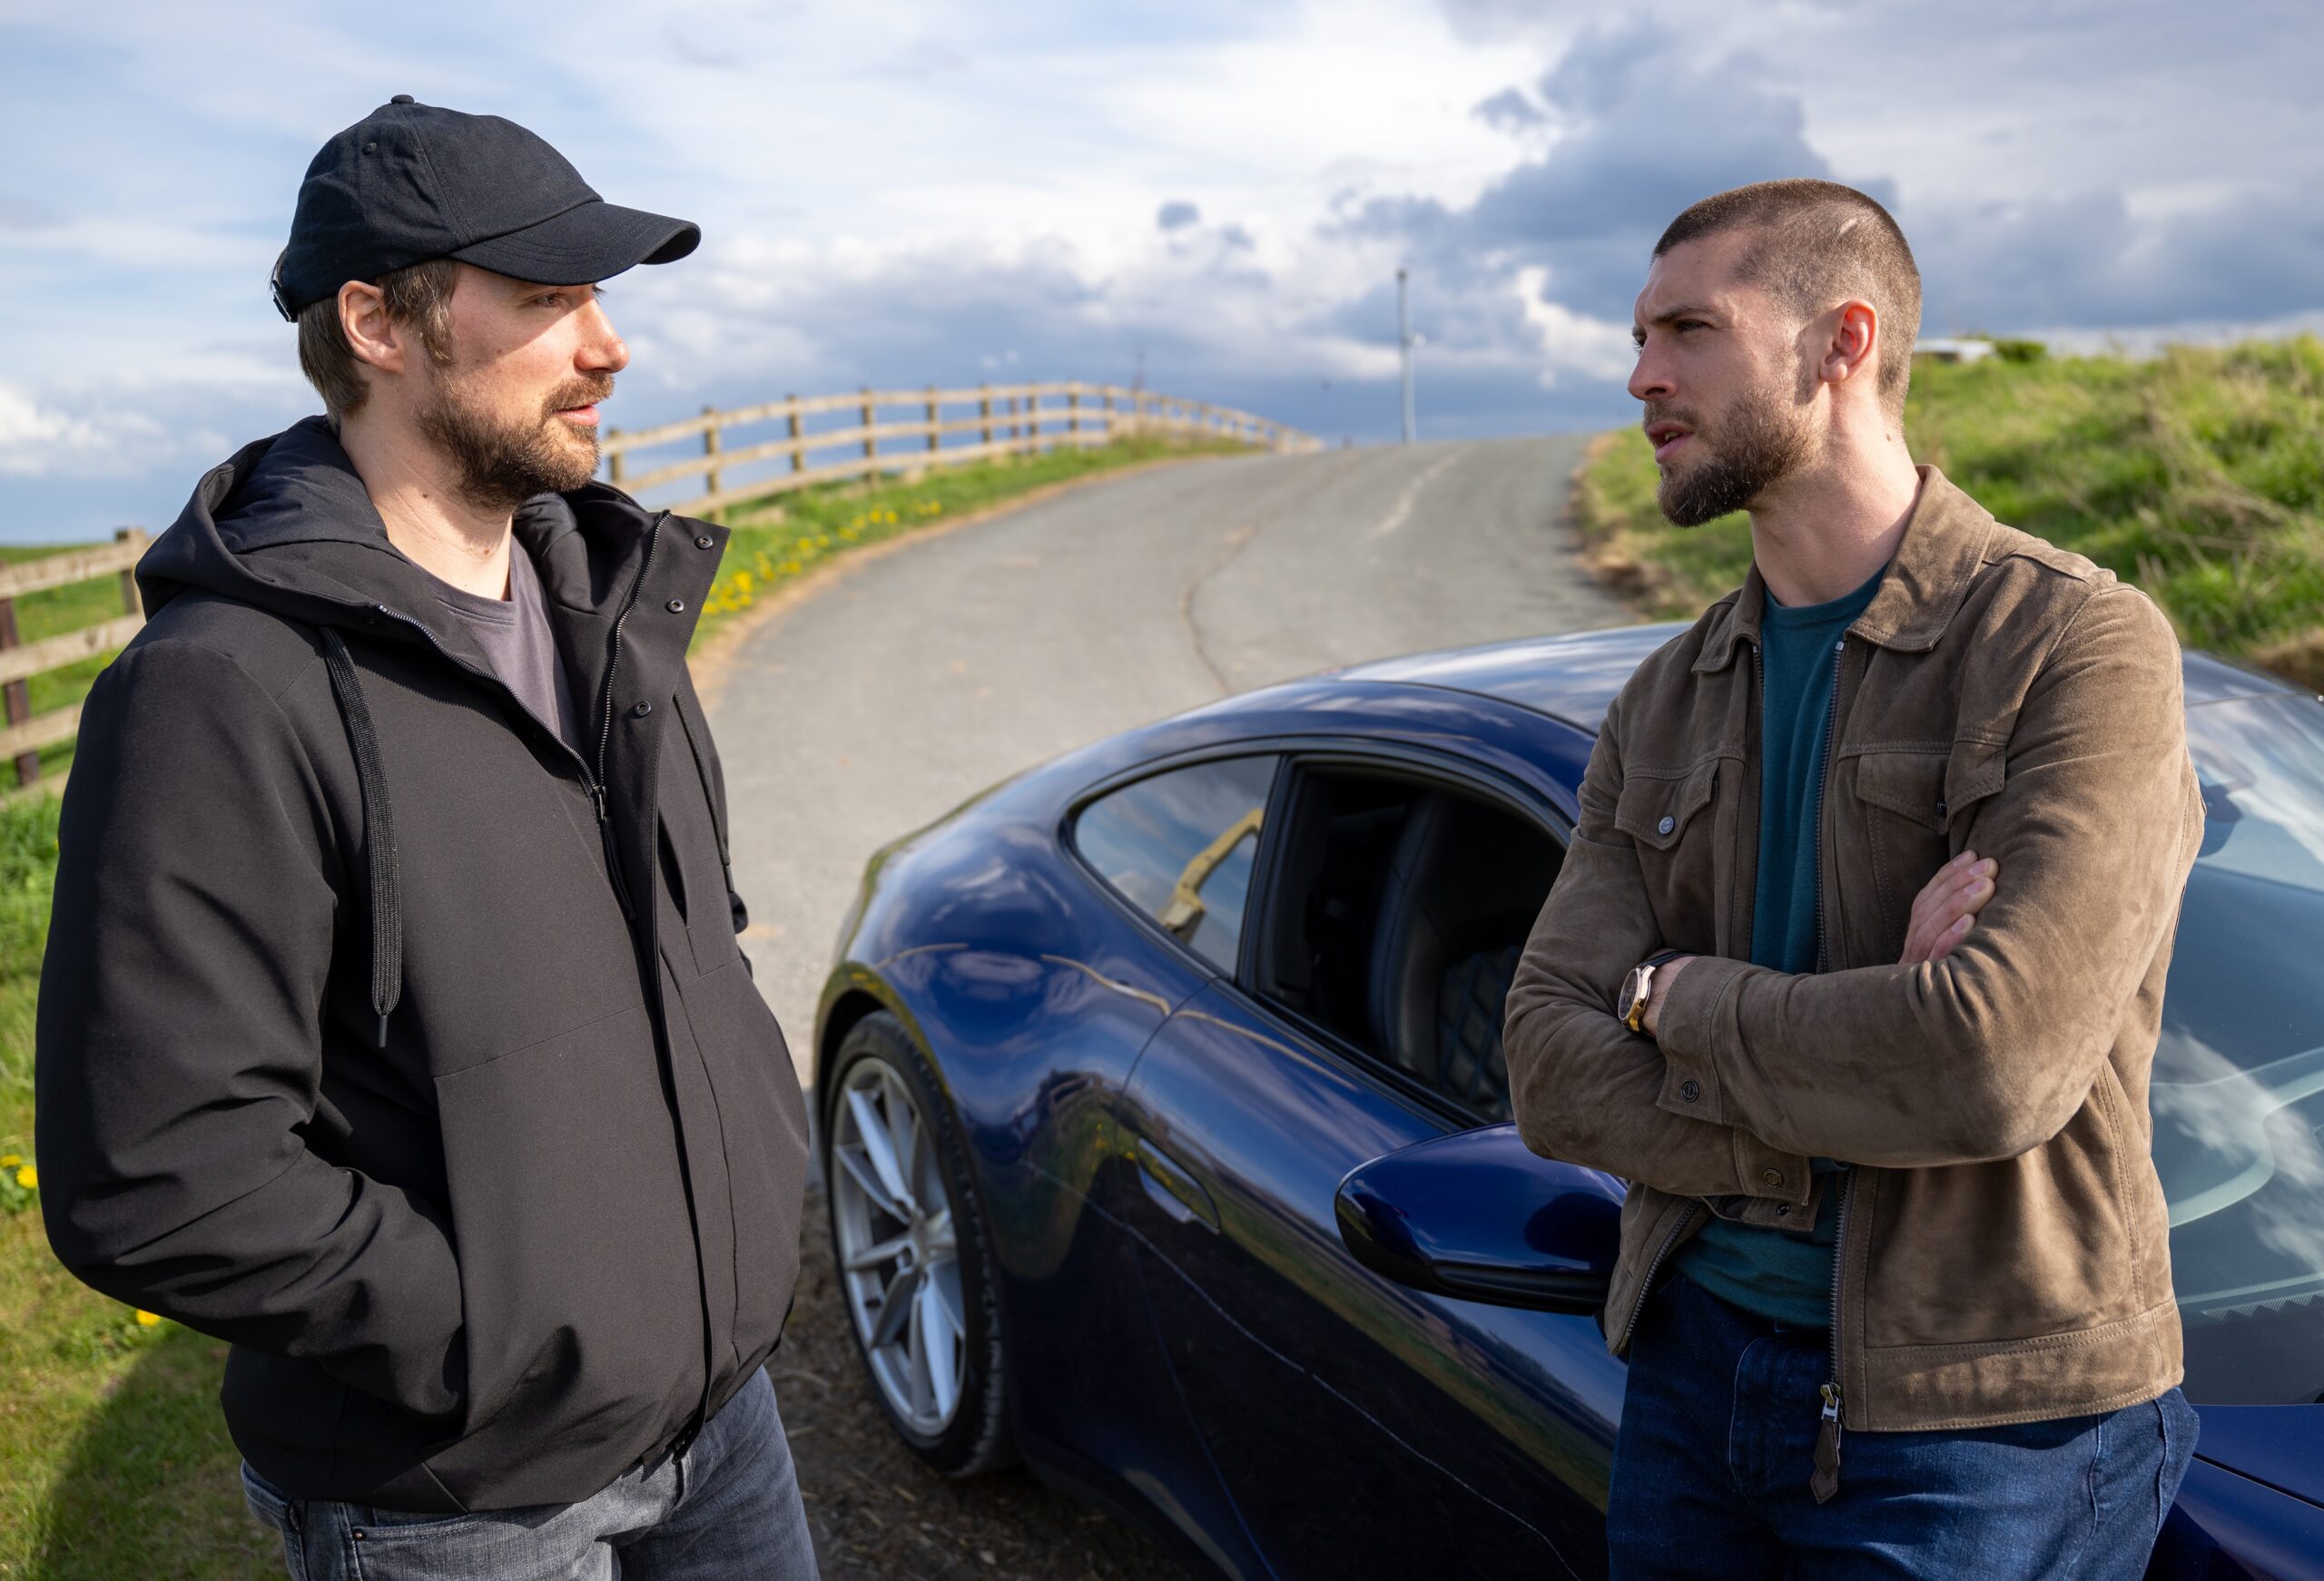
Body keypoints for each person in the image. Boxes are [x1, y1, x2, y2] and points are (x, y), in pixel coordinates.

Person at [34, 98, 818, 1580]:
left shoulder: (609, 618)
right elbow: (155, 1171)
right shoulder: (220, 691)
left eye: (600, 296)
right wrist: (497, 1331)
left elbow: (696, 952)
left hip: (721, 1421)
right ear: (379, 325)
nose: (607, 344)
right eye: (545, 297)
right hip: (461, 1496)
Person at [1502, 179, 2202, 1576]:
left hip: (1984, 1423)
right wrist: (1862, 1037)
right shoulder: (1664, 695)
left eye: (1690, 328)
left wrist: (1676, 997)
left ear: (1842, 342)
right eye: (1639, 336)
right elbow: (1544, 1062)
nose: (1641, 375)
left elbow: (1989, 1065)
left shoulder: (2076, 646)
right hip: (1692, 1373)